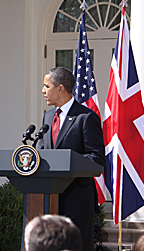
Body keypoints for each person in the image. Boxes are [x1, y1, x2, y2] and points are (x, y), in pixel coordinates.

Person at [41, 67, 105, 251]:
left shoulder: (85, 117)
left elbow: (96, 158)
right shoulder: (48, 117)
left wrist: (66, 161)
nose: (43, 91)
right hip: (49, 198)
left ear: (60, 88)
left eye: (47, 86)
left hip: (76, 200)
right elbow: (44, 151)